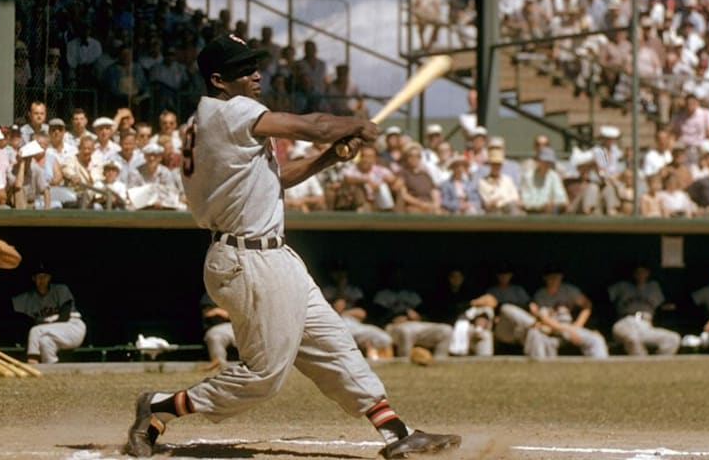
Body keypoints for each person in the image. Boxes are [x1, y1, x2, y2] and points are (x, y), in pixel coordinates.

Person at [125, 34, 460, 458]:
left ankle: (397, 433)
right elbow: (314, 126)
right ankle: (158, 406)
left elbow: (277, 177)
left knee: (333, 344)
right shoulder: (229, 112)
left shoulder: (212, 122)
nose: (255, 74)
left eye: (254, 65)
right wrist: (354, 123)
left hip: (272, 256)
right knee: (263, 377)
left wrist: (328, 160)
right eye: (244, 69)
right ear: (218, 80)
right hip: (247, 258)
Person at [527, 264, 609, 359]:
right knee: (538, 338)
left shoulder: (569, 290)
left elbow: (587, 305)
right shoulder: (540, 295)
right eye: (551, 277)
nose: (554, 279)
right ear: (545, 278)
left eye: (557, 276)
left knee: (596, 339)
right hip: (551, 330)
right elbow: (543, 319)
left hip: (570, 327)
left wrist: (578, 325)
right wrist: (568, 330)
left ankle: (601, 370)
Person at [11, 263, 86, 364]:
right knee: (45, 342)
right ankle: (51, 370)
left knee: (35, 331)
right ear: (34, 279)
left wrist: (45, 323)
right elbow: (5, 306)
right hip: (52, 335)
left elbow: (64, 317)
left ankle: (32, 361)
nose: (42, 279)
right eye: (39, 277)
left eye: (45, 276)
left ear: (49, 278)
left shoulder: (60, 289)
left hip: (73, 328)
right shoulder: (29, 297)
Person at [607, 263, 680, 356]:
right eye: (637, 272)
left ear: (648, 273)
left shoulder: (654, 287)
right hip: (624, 323)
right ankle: (642, 367)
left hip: (645, 325)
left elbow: (664, 305)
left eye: (643, 272)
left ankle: (657, 368)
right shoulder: (622, 286)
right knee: (632, 338)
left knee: (673, 338)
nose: (640, 275)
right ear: (633, 274)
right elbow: (603, 299)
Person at [200, 293, 236, 371]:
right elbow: (208, 313)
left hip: (237, 326)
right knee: (215, 338)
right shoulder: (210, 294)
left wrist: (226, 313)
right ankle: (219, 363)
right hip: (217, 328)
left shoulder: (239, 293)